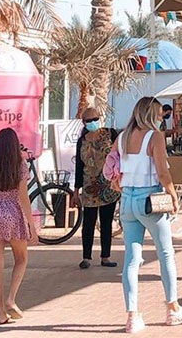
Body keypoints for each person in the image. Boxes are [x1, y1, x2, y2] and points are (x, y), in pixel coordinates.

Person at [113, 97, 182, 333]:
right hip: (149, 200)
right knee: (166, 253)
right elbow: (162, 173)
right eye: (159, 113)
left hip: (127, 199)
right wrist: (173, 197)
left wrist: (120, 183)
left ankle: (132, 315)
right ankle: (173, 308)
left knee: (131, 258)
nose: (162, 117)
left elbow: (111, 166)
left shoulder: (122, 137)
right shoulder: (154, 136)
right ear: (150, 114)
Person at [0, 128, 38, 325]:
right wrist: (31, 225)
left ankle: (0, 312)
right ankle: (11, 298)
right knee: (21, 259)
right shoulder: (19, 165)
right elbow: (23, 196)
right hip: (14, 212)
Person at [72, 107, 119, 269]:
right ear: (83, 122)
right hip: (89, 186)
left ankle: (105, 256)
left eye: (95, 119)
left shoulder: (111, 134)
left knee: (107, 222)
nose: (92, 123)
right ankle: (86, 257)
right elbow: (79, 166)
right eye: (88, 120)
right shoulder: (82, 141)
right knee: (89, 222)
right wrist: (76, 190)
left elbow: (121, 156)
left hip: (108, 186)